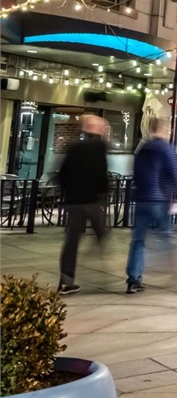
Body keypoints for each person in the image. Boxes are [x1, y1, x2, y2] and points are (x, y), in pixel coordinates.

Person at [125, 116, 177, 294]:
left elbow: (135, 173)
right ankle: (170, 267)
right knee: (166, 235)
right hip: (159, 199)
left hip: (142, 198)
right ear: (164, 129)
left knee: (138, 240)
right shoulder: (165, 148)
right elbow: (174, 172)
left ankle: (133, 278)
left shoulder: (142, 148)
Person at [56, 115, 110, 295]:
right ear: (97, 129)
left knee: (71, 241)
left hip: (73, 202)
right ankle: (95, 253)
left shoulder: (73, 147)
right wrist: (103, 193)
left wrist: (68, 192)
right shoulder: (99, 148)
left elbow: (61, 175)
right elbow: (101, 174)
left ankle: (66, 280)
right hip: (91, 201)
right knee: (101, 230)